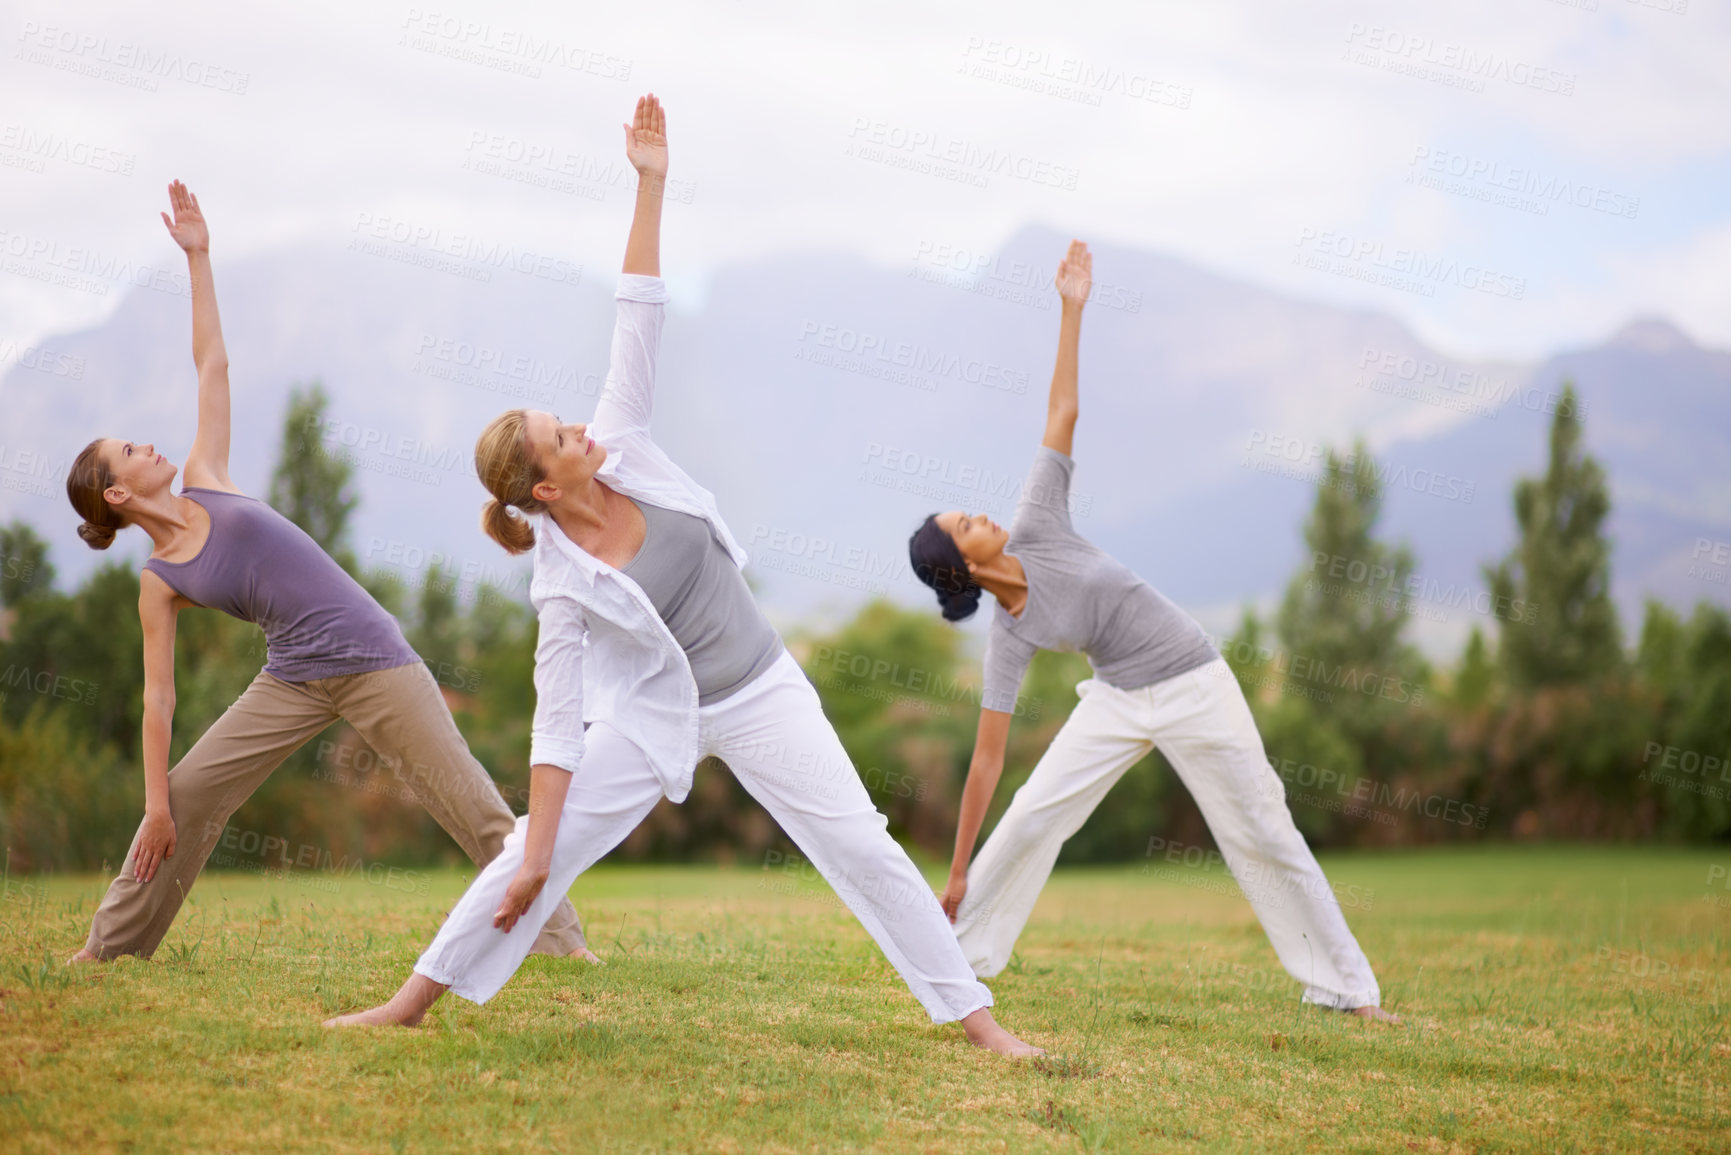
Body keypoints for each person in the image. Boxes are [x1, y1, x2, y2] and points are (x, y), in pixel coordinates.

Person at [325, 95, 1039, 1057]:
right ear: (545, 482)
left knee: (862, 844)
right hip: (656, 718)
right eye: (561, 436)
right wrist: (540, 853)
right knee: (529, 852)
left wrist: (650, 182)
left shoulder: (623, 442)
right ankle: (409, 1001)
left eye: (568, 421)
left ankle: (977, 1020)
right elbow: (553, 719)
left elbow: (638, 314)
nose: (580, 428)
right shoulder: (561, 581)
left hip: (760, 689)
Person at [65, 180, 590, 965]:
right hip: (293, 678)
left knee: (473, 805)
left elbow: (212, 362)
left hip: (374, 657)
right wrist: (152, 801)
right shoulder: (158, 580)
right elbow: (158, 696)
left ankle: (561, 949)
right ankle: (107, 952)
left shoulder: (207, 473)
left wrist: (199, 258)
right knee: (184, 798)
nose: (147, 446)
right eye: (129, 452)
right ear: (116, 492)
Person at [907, 240, 1397, 1022]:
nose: (983, 513)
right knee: (1035, 809)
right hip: (1117, 696)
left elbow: (1061, 414)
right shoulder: (1007, 634)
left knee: (1262, 826)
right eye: (966, 523)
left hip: (1193, 677)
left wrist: (1070, 310)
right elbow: (986, 762)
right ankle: (956, 964)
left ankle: (1346, 989)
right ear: (958, 568)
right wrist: (958, 869)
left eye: (972, 509)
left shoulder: (1037, 521)